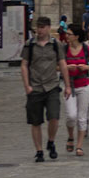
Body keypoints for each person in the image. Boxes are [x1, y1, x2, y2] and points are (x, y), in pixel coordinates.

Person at [21, 14, 71, 162]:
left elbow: (62, 64)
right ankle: (39, 150)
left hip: (52, 86)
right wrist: (27, 85)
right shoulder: (29, 45)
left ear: (49, 28)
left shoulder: (56, 45)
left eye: (42, 27)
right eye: (38, 28)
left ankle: (51, 141)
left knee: (54, 117)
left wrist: (67, 85)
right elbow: (24, 64)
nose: (39, 31)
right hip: (35, 87)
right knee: (35, 121)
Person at [63, 27, 89, 158]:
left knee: (82, 117)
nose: (66, 36)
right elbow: (56, 66)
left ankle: (79, 145)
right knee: (71, 116)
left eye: (69, 34)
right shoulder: (64, 50)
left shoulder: (87, 49)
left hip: (84, 86)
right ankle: (71, 136)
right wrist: (66, 67)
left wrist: (86, 67)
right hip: (69, 85)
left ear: (76, 36)